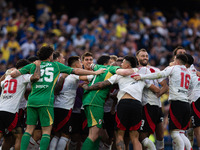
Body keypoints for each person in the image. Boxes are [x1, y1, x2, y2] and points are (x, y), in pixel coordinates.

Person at [10, 45, 105, 150]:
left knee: (28, 130)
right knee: (46, 131)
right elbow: (76, 71)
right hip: (46, 101)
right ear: (50, 56)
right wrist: (94, 72)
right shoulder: (56, 66)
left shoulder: (33, 65)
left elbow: (14, 74)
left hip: (32, 100)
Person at [82, 56, 160, 150]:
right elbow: (156, 89)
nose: (121, 65)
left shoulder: (119, 75)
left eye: (123, 62)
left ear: (127, 65)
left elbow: (102, 84)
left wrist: (88, 87)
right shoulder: (140, 76)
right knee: (135, 137)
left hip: (124, 103)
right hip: (137, 105)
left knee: (119, 135)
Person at [133, 54, 192, 150]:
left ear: (177, 60)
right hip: (186, 103)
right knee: (181, 133)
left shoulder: (173, 68)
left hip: (177, 103)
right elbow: (192, 87)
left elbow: (160, 74)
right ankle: (189, 148)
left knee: (175, 133)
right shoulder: (188, 72)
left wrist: (142, 77)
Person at [0, 59, 41, 150]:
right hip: (11, 112)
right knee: (19, 137)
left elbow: (1, 84)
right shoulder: (23, 77)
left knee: (6, 137)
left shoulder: (7, 78)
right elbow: (37, 76)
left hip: (1, 110)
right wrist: (37, 65)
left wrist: (6, 73)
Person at [136, 49, 168, 150]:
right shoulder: (152, 70)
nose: (145, 58)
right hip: (155, 106)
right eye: (142, 56)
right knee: (159, 137)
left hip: (148, 105)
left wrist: (158, 94)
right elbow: (164, 86)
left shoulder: (139, 71)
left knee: (144, 137)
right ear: (137, 58)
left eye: (146, 56)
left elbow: (165, 86)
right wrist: (158, 93)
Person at [69, 52, 93, 150]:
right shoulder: (78, 74)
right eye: (86, 60)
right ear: (82, 62)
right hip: (76, 109)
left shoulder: (95, 74)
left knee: (86, 136)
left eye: (91, 59)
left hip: (89, 108)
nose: (89, 61)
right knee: (74, 136)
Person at [186, 53, 200, 149]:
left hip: (196, 99)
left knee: (197, 130)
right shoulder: (193, 69)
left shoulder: (185, 71)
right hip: (193, 99)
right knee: (190, 126)